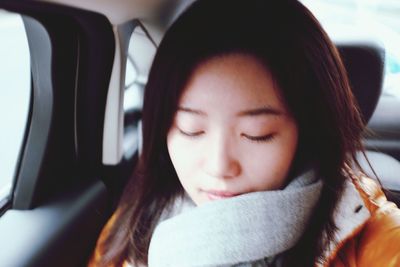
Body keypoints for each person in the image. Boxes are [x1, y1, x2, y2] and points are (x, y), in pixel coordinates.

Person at [89, 0, 400, 266]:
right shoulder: (136, 220)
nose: (219, 167)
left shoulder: (370, 238)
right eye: (191, 130)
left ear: (306, 133)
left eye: (257, 134)